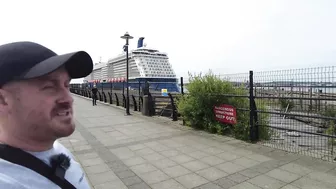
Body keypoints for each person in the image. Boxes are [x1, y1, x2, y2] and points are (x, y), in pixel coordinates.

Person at [0, 41, 93, 189]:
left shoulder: (58, 151)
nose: (69, 98)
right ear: (3, 100)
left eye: (66, 85)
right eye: (49, 87)